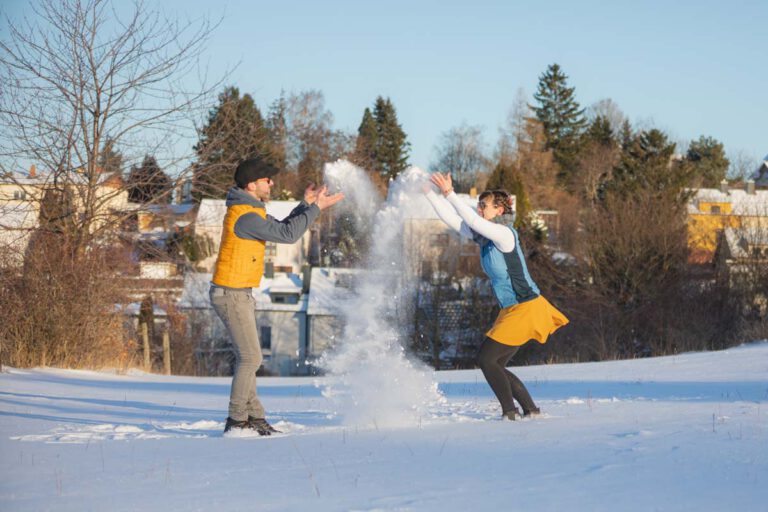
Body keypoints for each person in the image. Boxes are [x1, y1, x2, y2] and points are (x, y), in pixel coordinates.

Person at [210, 156, 344, 435]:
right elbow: (287, 234)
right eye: (266, 179)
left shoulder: (250, 210)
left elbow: (282, 226)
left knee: (249, 357)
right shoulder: (245, 216)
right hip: (231, 293)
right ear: (251, 184)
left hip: (237, 292)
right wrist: (315, 208)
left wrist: (306, 205)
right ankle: (236, 421)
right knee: (250, 358)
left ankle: (255, 418)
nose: (271, 183)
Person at [424, 172, 568, 420]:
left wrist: (449, 194)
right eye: (478, 205)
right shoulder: (486, 238)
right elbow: (454, 220)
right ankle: (531, 410)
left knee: (486, 359)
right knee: (495, 363)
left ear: (500, 210)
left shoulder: (505, 235)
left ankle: (509, 413)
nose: (479, 209)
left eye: (484, 206)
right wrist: (428, 193)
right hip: (513, 309)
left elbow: (472, 220)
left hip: (526, 307)